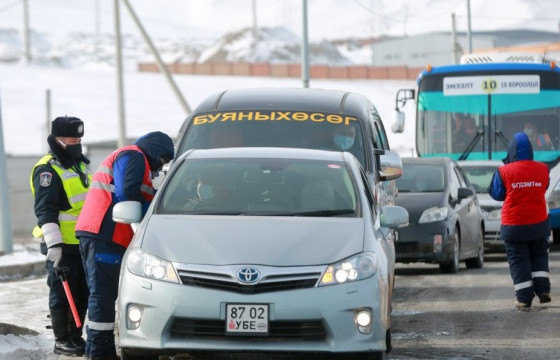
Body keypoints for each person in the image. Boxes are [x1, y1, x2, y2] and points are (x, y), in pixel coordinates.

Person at [75, 131, 174, 360]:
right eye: (163, 159)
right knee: (103, 294)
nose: (162, 166)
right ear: (156, 151)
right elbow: (127, 192)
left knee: (101, 293)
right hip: (105, 232)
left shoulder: (135, 159)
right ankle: (100, 352)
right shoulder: (134, 155)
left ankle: (96, 350)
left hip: (101, 233)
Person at [29, 116, 91, 356]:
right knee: (62, 293)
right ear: (56, 138)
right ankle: (62, 339)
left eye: (78, 136)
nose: (76, 140)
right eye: (70, 136)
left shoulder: (78, 164)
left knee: (82, 292)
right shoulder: (48, 169)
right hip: (60, 244)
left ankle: (76, 337)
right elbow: (45, 210)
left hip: (82, 241)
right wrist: (54, 244)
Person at [488, 132, 552, 309]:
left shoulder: (504, 171)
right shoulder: (543, 168)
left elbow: (497, 194)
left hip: (514, 225)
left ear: (511, 151)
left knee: (519, 260)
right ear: (530, 150)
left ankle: (524, 298)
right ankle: (543, 291)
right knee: (539, 255)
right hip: (539, 223)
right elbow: (544, 186)